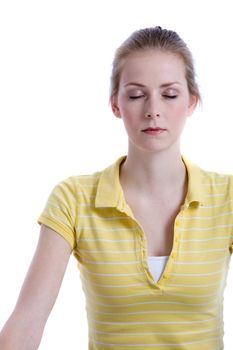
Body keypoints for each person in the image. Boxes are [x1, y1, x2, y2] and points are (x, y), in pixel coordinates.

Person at [0, 26, 232, 350]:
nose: (153, 109)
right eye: (137, 95)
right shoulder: (74, 199)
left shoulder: (227, 197)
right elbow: (27, 320)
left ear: (192, 101)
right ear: (115, 104)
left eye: (169, 94)